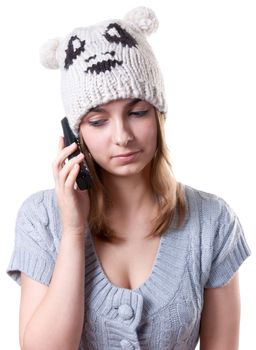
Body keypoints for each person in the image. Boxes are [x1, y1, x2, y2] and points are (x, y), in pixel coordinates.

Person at [7, 6, 251, 350]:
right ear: (75, 135)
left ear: (159, 114)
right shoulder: (42, 218)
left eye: (137, 113)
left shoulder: (213, 221)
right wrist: (74, 230)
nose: (122, 136)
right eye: (98, 121)